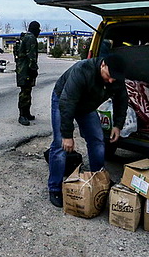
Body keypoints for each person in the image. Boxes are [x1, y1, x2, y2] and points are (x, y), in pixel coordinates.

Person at [47, 54, 128, 208]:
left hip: (86, 106)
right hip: (63, 99)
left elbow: (121, 100)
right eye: (109, 76)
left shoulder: (116, 77)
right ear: (103, 65)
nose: (111, 81)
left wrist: (118, 125)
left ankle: (98, 178)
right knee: (59, 145)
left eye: (114, 79)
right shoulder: (83, 70)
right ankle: (55, 188)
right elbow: (67, 103)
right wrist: (67, 135)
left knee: (97, 140)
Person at [15, 21, 40, 125]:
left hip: (23, 69)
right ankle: (22, 115)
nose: (39, 31)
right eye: (38, 29)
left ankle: (27, 112)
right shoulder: (30, 38)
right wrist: (33, 69)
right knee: (25, 92)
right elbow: (31, 56)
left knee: (27, 91)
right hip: (26, 70)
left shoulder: (25, 37)